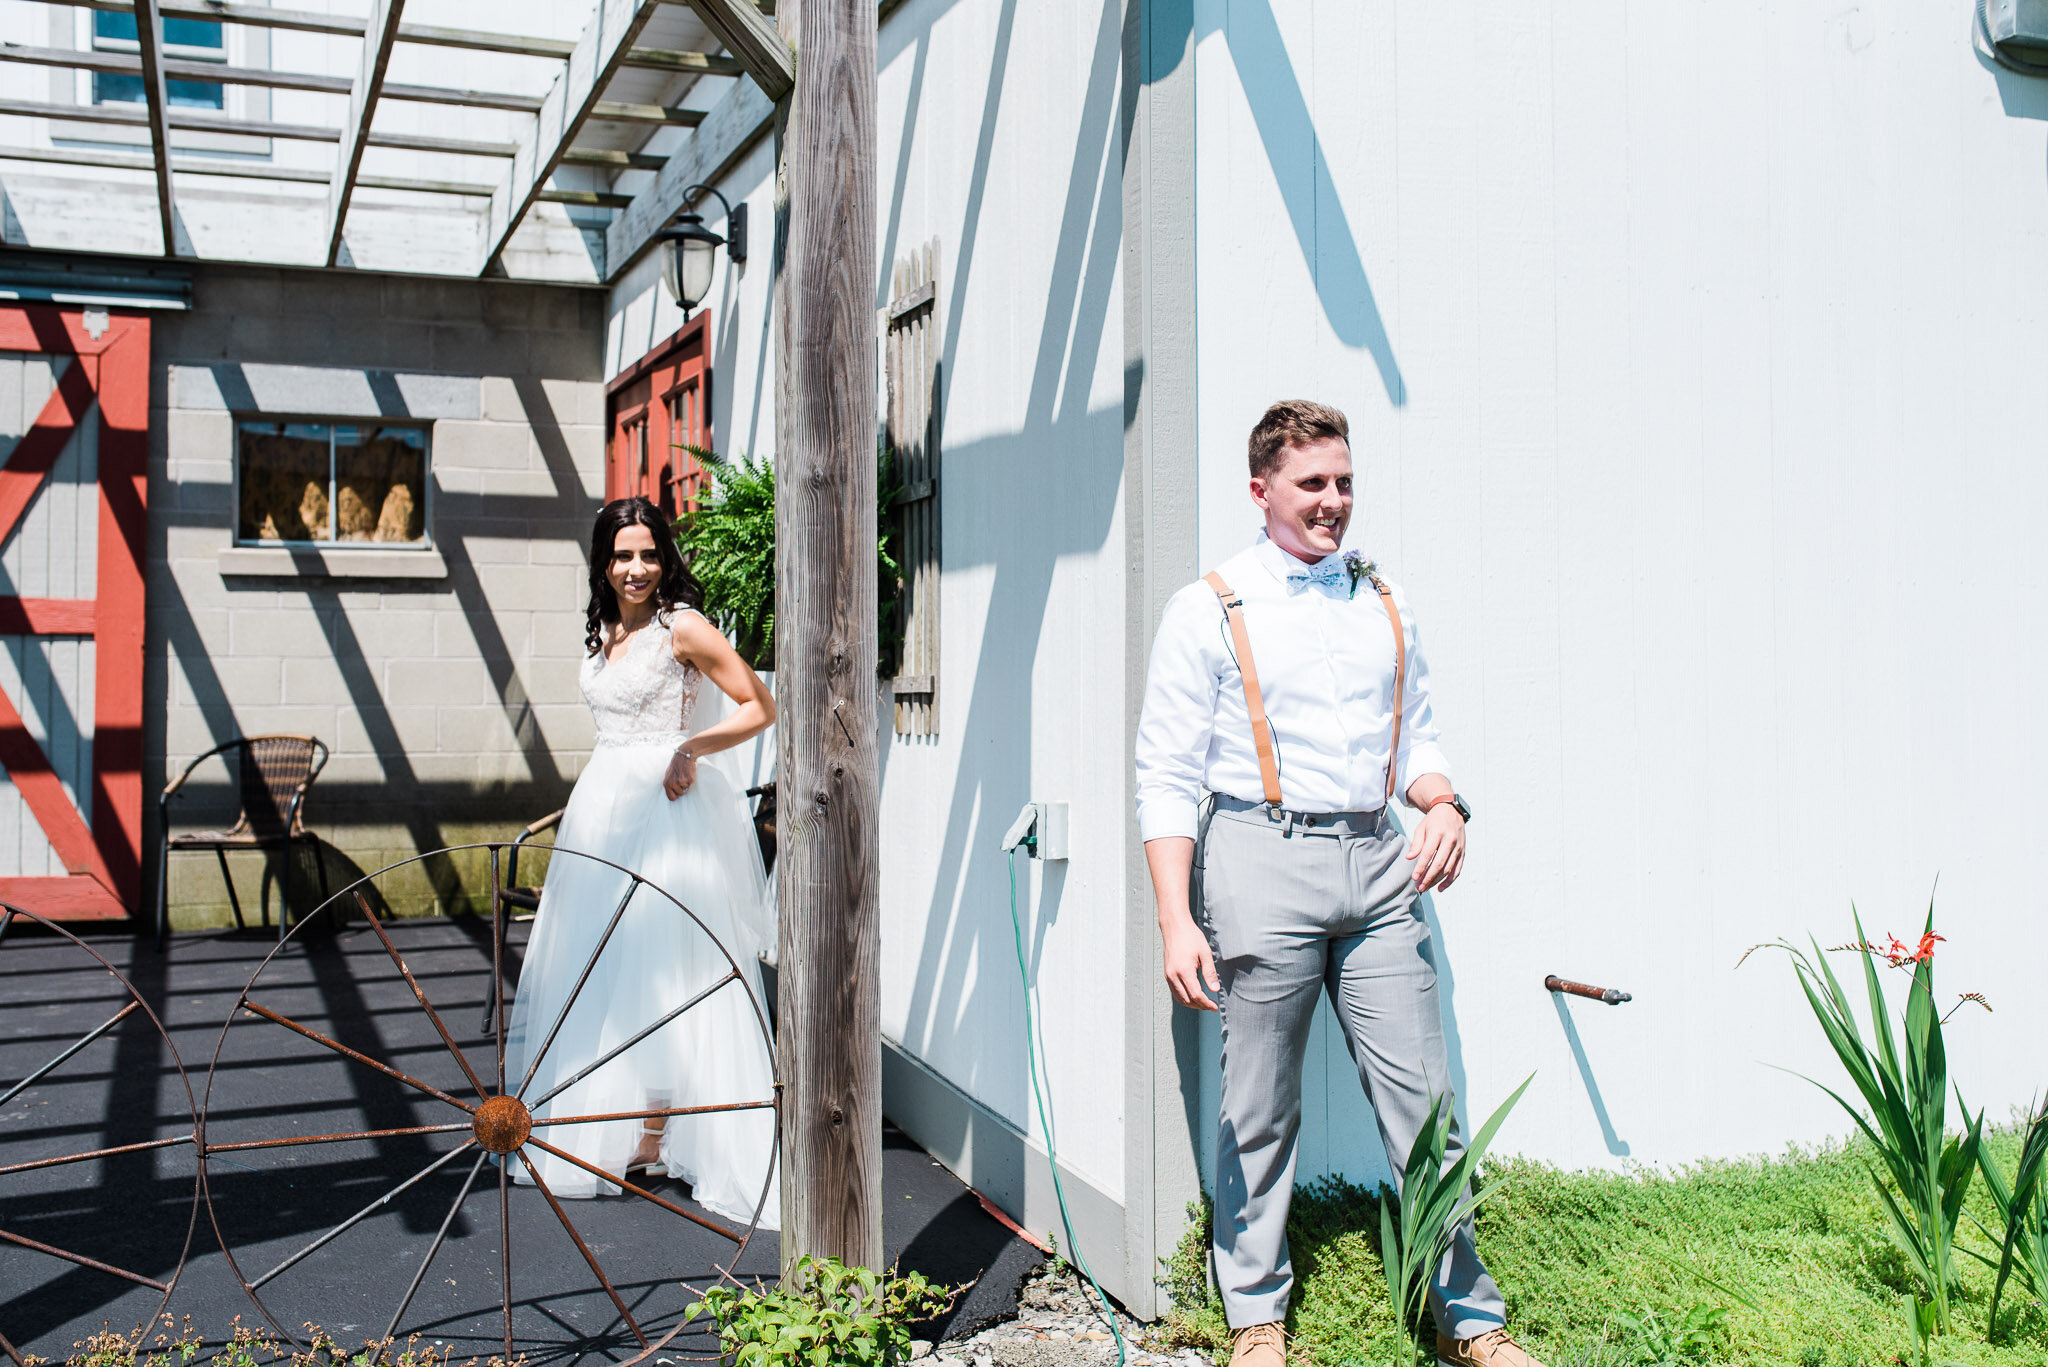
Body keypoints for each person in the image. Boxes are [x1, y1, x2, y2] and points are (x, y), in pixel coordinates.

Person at [1134, 401, 1541, 1367]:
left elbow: (1416, 740)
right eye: (1312, 483)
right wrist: (1174, 918)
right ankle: (1256, 1316)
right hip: (1256, 853)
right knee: (1259, 1104)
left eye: (1344, 482)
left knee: (1424, 1100)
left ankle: (1469, 1320)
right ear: (1261, 488)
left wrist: (1443, 803)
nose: (1332, 502)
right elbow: (1166, 772)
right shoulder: (1210, 604)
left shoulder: (1384, 599)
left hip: (1378, 857)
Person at [504, 496, 780, 1229]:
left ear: (666, 559)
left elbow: (761, 704)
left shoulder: (681, 626)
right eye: (623, 554)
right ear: (603, 559)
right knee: (602, 966)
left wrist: (692, 747)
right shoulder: (602, 630)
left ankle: (659, 1131)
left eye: (649, 554)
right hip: (601, 809)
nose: (636, 568)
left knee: (667, 967)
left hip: (665, 806)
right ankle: (613, 1122)